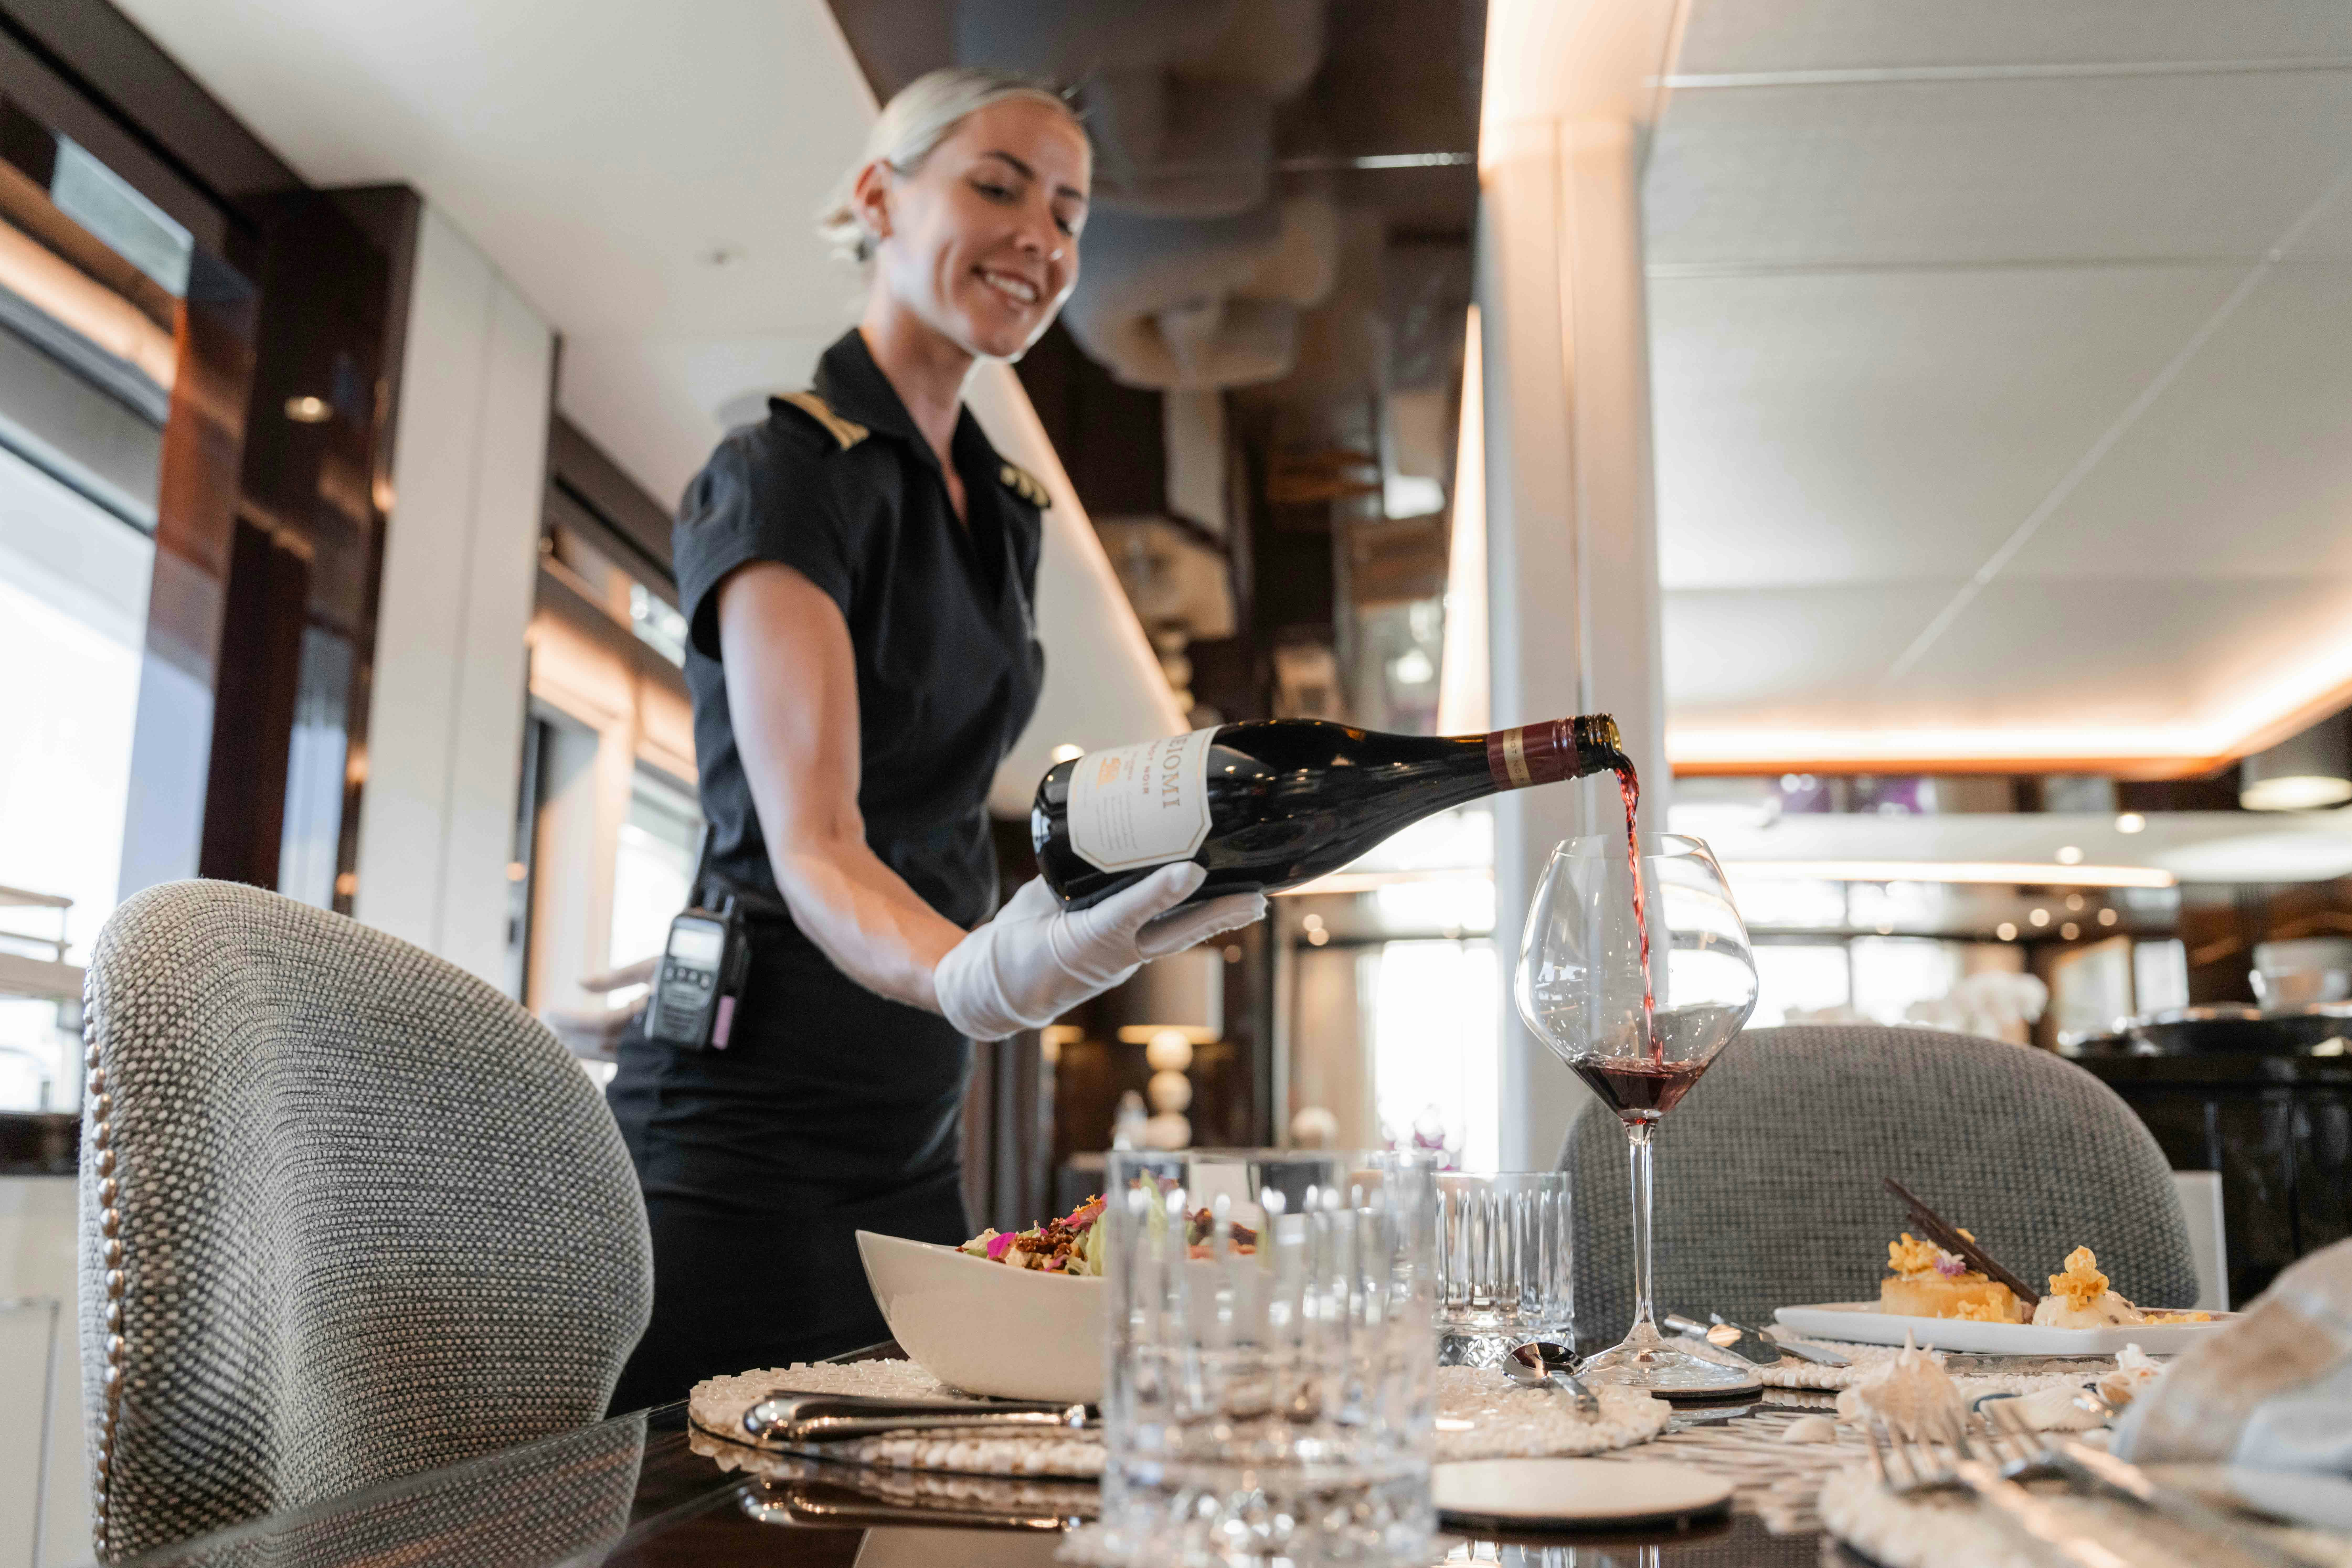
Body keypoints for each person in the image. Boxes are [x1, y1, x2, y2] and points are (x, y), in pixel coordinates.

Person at [604, 68, 1264, 1412]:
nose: (1043, 237)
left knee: (909, 1513)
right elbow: (818, 840)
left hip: (912, 1119)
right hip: (750, 1125)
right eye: (998, 185)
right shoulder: (782, 472)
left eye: (1071, 212)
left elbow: (952, 802)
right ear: (877, 196)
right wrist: (973, 973)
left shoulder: (1005, 509)